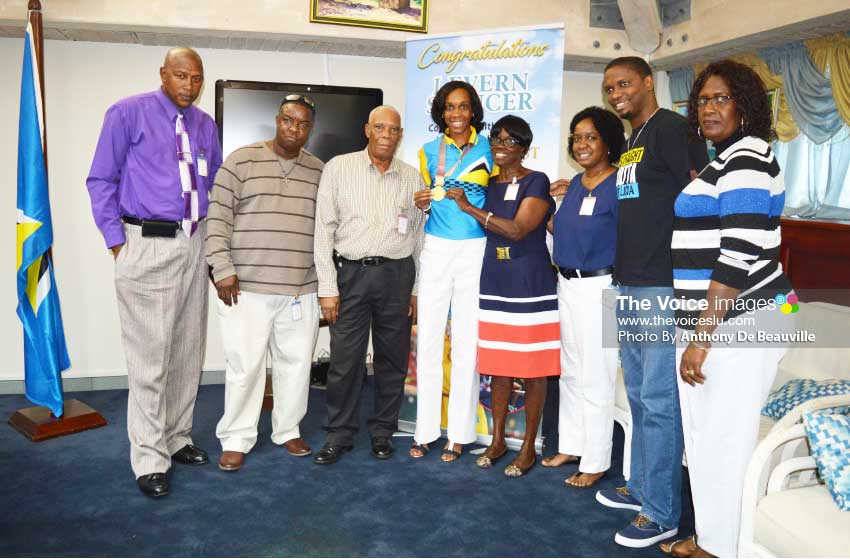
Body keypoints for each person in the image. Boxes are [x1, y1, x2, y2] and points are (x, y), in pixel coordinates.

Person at [661, 60, 794, 559]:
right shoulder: (729, 158)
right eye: (703, 100)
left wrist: (702, 334)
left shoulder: (748, 158)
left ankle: (725, 547)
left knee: (724, 438)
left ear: (746, 105)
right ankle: (715, 537)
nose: (710, 108)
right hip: (725, 319)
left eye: (722, 98)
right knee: (706, 436)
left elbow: (738, 253)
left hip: (740, 320)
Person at [86, 47, 222, 498]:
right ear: (163, 74)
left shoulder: (205, 125)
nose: (189, 85)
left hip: (194, 241)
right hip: (147, 241)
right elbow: (101, 180)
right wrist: (116, 242)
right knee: (150, 358)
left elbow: (214, 182)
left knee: (187, 349)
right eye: (181, 75)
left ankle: (177, 436)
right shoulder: (128, 113)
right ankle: (148, 457)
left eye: (197, 78)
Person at [594, 56, 708, 547]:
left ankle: (662, 512)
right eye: (608, 88)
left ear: (647, 82)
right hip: (631, 282)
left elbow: (701, 199)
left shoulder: (673, 129)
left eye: (624, 83)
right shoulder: (631, 142)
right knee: (640, 394)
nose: (616, 93)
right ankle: (642, 487)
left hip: (662, 285)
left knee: (660, 401)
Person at [206, 94, 324, 472]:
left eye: (304, 124)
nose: (295, 129)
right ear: (277, 120)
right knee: (245, 366)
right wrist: (222, 268)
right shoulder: (240, 160)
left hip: (300, 288)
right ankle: (237, 437)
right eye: (289, 120)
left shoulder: (321, 171)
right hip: (246, 287)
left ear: (310, 129)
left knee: (296, 364)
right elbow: (218, 218)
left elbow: (327, 231)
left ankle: (287, 429)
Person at [312, 105, 425, 465]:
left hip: (397, 276)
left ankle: (382, 432)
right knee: (346, 360)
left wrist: (417, 289)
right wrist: (327, 287)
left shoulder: (412, 178)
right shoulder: (338, 168)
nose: (386, 135)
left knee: (392, 360)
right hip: (351, 276)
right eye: (380, 128)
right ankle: (339, 434)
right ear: (367, 130)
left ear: (400, 135)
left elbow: (420, 237)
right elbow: (323, 230)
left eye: (394, 130)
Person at [448, 115, 559, 477]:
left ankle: (527, 448)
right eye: (496, 137)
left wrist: (468, 207)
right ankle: (497, 441)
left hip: (530, 282)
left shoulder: (536, 181)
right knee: (497, 365)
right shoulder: (489, 185)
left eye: (511, 140)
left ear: (524, 148)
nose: (500, 144)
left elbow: (516, 229)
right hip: (494, 279)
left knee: (532, 369)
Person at [411, 81, 494, 462]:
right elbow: (430, 200)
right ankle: (425, 431)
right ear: (441, 113)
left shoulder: (489, 148)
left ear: (472, 111)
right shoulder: (429, 151)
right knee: (427, 338)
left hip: (474, 247)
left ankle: (459, 434)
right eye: (449, 107)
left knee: (466, 341)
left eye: (462, 107)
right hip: (436, 247)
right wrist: (421, 201)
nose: (456, 114)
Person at [545, 107, 625, 488]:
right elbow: (564, 230)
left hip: (602, 290)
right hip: (568, 284)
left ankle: (596, 459)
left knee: (597, 376)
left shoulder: (621, 184)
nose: (582, 144)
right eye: (577, 137)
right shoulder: (576, 183)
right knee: (572, 370)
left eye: (591, 137)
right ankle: (572, 445)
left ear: (608, 141)